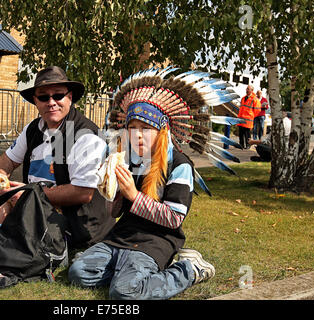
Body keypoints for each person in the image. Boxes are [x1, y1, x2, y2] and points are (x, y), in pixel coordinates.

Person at [68, 68, 216, 300]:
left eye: (146, 129)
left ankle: (188, 269)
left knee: (125, 293)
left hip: (155, 241)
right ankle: (120, 272)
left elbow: (174, 218)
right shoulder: (127, 157)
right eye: (132, 128)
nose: (137, 136)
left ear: (162, 131)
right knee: (78, 273)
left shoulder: (179, 165)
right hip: (121, 236)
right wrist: (112, 189)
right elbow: (114, 213)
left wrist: (134, 195)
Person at [0, 66, 116, 248]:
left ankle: (0, 240)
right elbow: (8, 159)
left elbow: (83, 193)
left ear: (70, 97)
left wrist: (30, 195)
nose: (51, 102)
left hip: (74, 222)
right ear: (36, 101)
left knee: (14, 207)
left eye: (58, 95)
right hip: (37, 205)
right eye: (44, 97)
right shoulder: (33, 128)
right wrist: (0, 173)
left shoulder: (86, 135)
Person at [237, 85, 261, 149]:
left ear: (252, 90)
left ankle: (248, 145)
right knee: (241, 133)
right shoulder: (243, 98)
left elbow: (258, 110)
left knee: (247, 133)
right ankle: (241, 144)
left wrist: (252, 115)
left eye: (248, 89)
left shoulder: (254, 99)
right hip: (241, 118)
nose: (246, 90)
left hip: (248, 119)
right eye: (246, 89)